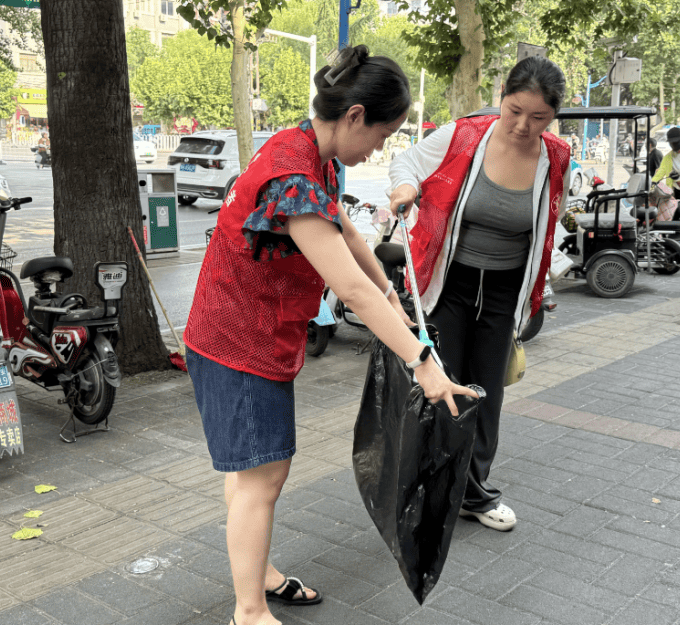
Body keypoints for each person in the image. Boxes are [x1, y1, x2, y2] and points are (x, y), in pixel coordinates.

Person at [183, 45, 479, 625]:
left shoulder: (308, 150)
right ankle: (248, 611)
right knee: (262, 475)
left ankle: (257, 572)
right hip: (237, 342)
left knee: (254, 472)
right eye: (383, 134)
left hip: (250, 335)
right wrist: (422, 359)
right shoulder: (294, 173)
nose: (380, 148)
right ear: (354, 116)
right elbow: (353, 292)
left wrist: (390, 290)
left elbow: (345, 232)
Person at [387, 56, 571, 533]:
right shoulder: (464, 135)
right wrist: (406, 186)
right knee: (439, 382)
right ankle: (425, 488)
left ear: (553, 116)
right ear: (502, 97)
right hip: (452, 281)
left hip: (506, 289)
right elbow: (406, 160)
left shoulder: (556, 156)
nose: (523, 125)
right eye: (514, 110)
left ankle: (473, 492)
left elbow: (551, 217)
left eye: (538, 118)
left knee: (486, 392)